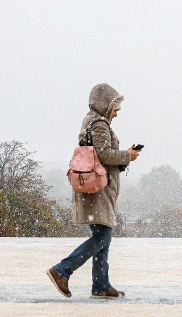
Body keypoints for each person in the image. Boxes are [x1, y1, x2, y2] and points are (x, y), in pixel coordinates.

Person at [47, 83, 141, 299]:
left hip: (95, 187)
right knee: (102, 237)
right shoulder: (99, 124)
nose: (116, 113)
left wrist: (125, 156)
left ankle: (100, 285)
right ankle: (62, 270)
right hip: (99, 189)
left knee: (103, 236)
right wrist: (127, 155)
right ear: (106, 105)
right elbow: (105, 154)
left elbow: (99, 154)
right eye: (115, 108)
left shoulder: (91, 120)